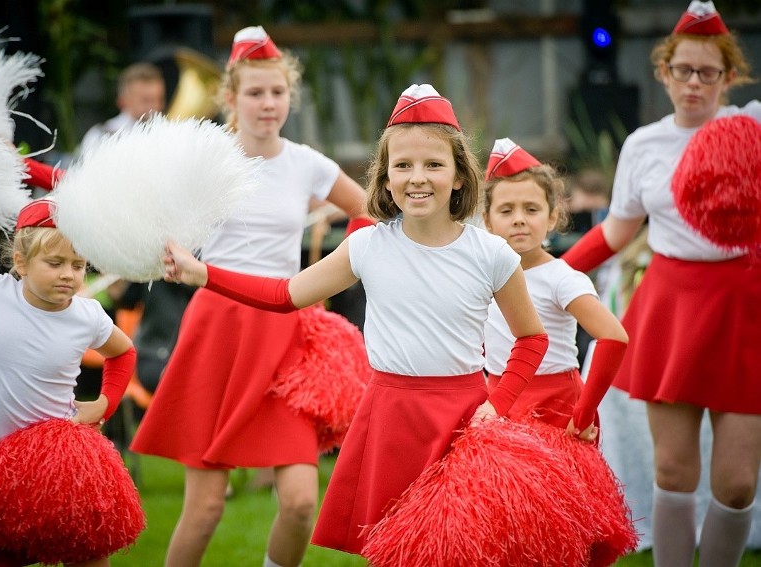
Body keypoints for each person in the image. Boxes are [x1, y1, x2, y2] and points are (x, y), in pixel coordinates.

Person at [158, 83, 548, 559]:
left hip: (465, 419)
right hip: (390, 418)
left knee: (462, 550)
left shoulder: (492, 254)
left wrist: (499, 403)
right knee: (394, 548)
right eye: (402, 166)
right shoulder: (367, 246)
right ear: (384, 180)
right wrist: (204, 274)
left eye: (433, 165)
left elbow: (531, 338)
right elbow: (284, 295)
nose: (417, 178)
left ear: (460, 176)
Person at [129, 26, 373, 567]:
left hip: (284, 329)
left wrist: (338, 268)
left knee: (301, 501)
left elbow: (368, 210)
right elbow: (146, 211)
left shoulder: (307, 162)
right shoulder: (206, 155)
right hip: (217, 329)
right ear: (231, 97)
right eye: (255, 93)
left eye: (277, 92)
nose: (268, 104)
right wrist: (170, 251)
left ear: (290, 97)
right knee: (206, 508)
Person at [561, 2, 761, 565]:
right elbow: (617, 232)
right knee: (673, 468)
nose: (694, 84)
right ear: (664, 73)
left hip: (745, 305)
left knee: (738, 482)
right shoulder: (643, 145)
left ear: (729, 77)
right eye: (683, 71)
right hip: (672, 304)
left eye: (708, 73)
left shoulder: (751, 132)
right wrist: (551, 271)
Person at [0, 197, 137, 566]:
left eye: (78, 265)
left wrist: (105, 402)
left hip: (60, 461)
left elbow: (123, 352)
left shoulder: (88, 315)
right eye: (55, 263)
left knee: (88, 555)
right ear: (21, 262)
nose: (69, 274)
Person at [482, 138, 628, 442]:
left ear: (551, 217)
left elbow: (613, 336)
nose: (519, 218)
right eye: (506, 210)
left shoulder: (561, 278)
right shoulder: (481, 275)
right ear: (488, 221)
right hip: (496, 406)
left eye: (531, 209)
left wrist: (584, 411)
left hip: (556, 411)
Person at [78, 61, 166, 157]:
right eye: (146, 100)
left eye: (159, 99)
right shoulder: (100, 135)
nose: (156, 106)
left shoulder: (166, 133)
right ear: (123, 101)